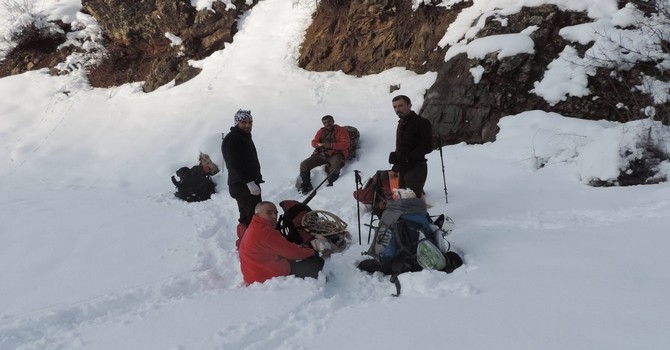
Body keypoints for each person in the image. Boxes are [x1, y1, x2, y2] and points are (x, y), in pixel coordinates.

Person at [239, 201, 325, 284]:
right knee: (317, 262)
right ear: (258, 215)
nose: (274, 216)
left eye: (276, 213)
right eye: (269, 213)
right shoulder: (265, 231)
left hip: (252, 274)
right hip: (265, 276)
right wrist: (312, 252)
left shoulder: (254, 227)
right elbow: (292, 252)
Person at [222, 109, 264, 249]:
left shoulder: (242, 136)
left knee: (246, 216)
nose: (248, 125)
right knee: (254, 216)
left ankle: (245, 244)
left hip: (242, 184)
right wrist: (249, 182)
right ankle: (253, 248)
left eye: (250, 122)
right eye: (243, 122)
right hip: (243, 185)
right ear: (237, 122)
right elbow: (235, 163)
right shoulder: (234, 138)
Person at [388, 95, 433, 198]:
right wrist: (396, 164)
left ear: (409, 105)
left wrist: (407, 157)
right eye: (395, 107)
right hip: (404, 168)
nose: (397, 109)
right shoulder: (402, 123)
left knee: (412, 202)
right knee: (404, 202)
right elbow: (402, 146)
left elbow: (427, 146)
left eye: (400, 106)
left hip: (416, 168)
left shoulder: (421, 122)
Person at [298, 115, 350, 194]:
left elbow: (345, 144)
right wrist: (318, 144)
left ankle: (331, 185)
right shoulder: (321, 131)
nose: (327, 124)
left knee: (334, 167)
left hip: (336, 154)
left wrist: (331, 145)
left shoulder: (341, 130)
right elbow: (313, 142)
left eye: (329, 121)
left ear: (333, 121)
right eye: (325, 123)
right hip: (322, 154)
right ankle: (306, 185)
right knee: (304, 164)